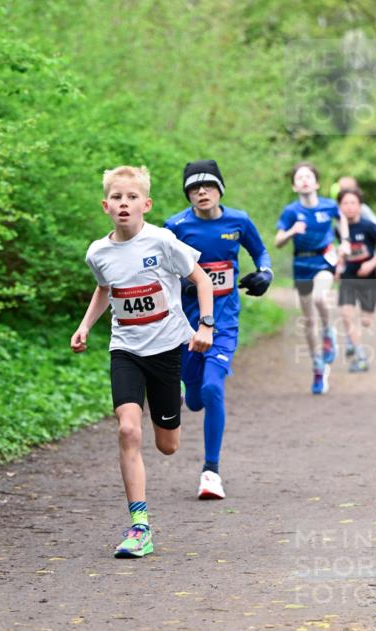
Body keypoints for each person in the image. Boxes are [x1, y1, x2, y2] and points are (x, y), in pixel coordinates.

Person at [70, 165, 214, 557]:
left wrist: (206, 326)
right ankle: (139, 527)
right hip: (126, 349)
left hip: (167, 350)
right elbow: (105, 289)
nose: (124, 204)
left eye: (132, 197)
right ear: (105, 205)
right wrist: (85, 326)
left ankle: (176, 395)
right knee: (128, 431)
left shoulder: (163, 242)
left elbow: (201, 280)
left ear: (145, 204)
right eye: (117, 197)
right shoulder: (98, 252)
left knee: (168, 446)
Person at [164, 159, 272, 500]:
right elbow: (159, 270)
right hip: (185, 325)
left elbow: (262, 253)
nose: (201, 192)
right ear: (188, 194)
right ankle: (190, 390)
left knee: (213, 389)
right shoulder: (175, 226)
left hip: (223, 323)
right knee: (194, 398)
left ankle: (211, 472)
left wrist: (265, 273)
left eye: (208, 185)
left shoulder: (238, 221)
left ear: (220, 189)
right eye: (194, 188)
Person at [275, 162, 348, 395]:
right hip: (301, 264)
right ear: (294, 185)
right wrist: (291, 232)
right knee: (308, 320)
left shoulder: (329, 205)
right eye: (299, 177)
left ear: (316, 183)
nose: (304, 180)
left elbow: (342, 219)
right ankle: (318, 367)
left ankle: (329, 331)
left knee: (320, 298)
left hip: (324, 259)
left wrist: (345, 241)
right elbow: (277, 242)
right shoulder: (290, 212)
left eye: (308, 176)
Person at [335, 188, 376, 372]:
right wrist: (338, 266)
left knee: (366, 321)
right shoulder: (338, 229)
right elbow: (338, 251)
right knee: (347, 315)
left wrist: (371, 263)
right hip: (348, 278)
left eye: (353, 203)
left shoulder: (368, 226)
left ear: (360, 206)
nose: (349, 207)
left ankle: (352, 338)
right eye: (345, 203)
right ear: (339, 207)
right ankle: (360, 356)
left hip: (369, 279)